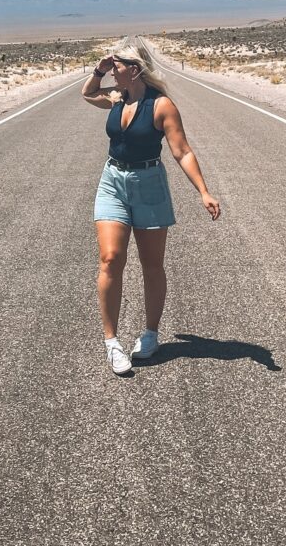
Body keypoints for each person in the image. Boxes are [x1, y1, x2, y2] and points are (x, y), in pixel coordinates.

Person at [81, 40, 221, 374]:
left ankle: (150, 334)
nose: (112, 68)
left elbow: (182, 151)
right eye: (111, 64)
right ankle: (112, 342)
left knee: (151, 264)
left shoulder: (161, 106)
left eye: (117, 64)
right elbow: (88, 94)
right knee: (111, 258)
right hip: (113, 180)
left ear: (135, 68)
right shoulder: (117, 96)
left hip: (149, 184)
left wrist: (204, 191)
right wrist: (98, 70)